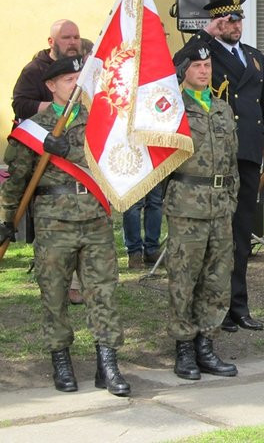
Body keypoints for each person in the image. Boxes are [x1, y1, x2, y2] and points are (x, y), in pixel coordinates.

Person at [0, 57, 129, 396]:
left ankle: (108, 364)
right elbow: (16, 181)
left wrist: (69, 149)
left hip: (95, 218)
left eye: (79, 78)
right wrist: (5, 220)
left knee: (103, 291)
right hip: (54, 223)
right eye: (69, 79)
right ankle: (61, 361)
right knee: (55, 294)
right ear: (51, 86)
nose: (76, 84)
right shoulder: (35, 128)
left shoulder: (97, 121)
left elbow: (112, 161)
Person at [186, 0, 264, 332]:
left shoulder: (255, 57)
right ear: (216, 23)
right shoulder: (203, 54)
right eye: (227, 20)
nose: (235, 25)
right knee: (216, 236)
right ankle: (214, 305)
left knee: (241, 233)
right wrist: (204, 34)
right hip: (215, 157)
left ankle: (237, 306)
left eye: (238, 19)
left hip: (247, 156)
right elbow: (174, 66)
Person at [164, 41, 239, 380]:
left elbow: (233, 160)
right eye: (197, 65)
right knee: (184, 279)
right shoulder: (171, 108)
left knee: (217, 279)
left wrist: (232, 198)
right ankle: (184, 348)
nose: (204, 70)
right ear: (184, 71)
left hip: (221, 206)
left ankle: (206, 344)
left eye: (207, 66)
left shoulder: (222, 108)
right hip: (187, 204)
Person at [12, 19, 84, 305]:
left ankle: (78, 283)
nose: (72, 42)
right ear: (52, 41)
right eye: (66, 37)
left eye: (76, 36)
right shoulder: (34, 70)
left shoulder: (85, 66)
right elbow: (20, 103)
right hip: (45, 153)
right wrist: (56, 111)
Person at [122, 184, 163, 269]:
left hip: (155, 170)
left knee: (155, 202)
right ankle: (134, 253)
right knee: (133, 203)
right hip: (134, 172)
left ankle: (152, 251)